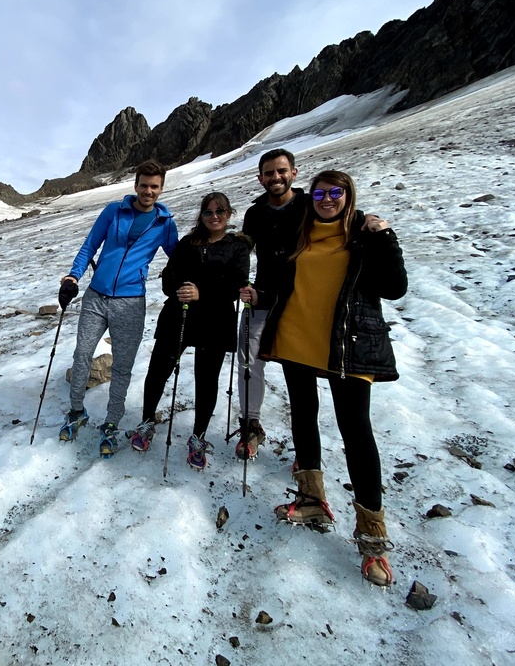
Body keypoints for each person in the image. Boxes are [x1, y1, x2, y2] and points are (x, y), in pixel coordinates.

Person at [249, 169, 407, 587]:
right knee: (303, 415)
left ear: (348, 196)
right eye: (320, 192)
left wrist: (386, 235)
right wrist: (258, 296)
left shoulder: (364, 235)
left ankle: (373, 539)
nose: (327, 199)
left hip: (348, 347)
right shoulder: (301, 236)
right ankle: (312, 498)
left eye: (336, 192)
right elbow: (285, 284)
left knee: (356, 431)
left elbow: (394, 288)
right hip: (297, 339)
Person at [58, 160, 179, 457]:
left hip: (130, 303)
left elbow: (178, 258)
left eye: (154, 186)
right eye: (144, 185)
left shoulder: (165, 224)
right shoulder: (114, 211)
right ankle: (76, 412)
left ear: (161, 188)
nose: (148, 191)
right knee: (82, 353)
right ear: (135, 185)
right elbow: (90, 246)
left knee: (122, 366)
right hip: (96, 296)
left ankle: (111, 423)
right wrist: (74, 274)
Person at [127, 192, 251, 470]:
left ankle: (198, 436)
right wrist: (179, 289)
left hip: (216, 320)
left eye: (220, 211)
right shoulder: (189, 243)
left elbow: (237, 284)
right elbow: (170, 276)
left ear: (228, 213)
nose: (214, 216)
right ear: (202, 216)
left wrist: (201, 292)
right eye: (208, 212)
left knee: (206, 379)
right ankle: (147, 421)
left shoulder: (237, 247)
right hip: (178, 316)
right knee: (159, 369)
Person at [234, 148, 306, 459]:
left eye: (281, 171)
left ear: (294, 173)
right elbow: (242, 252)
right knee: (249, 363)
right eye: (269, 173)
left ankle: (307, 448)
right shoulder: (255, 213)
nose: (275, 177)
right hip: (261, 297)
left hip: (302, 299)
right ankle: (251, 426)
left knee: (301, 371)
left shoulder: (309, 207)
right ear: (260, 177)